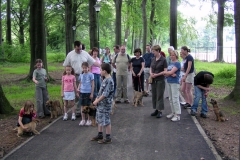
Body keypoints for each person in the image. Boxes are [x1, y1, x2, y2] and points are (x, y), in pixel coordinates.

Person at [63, 40, 100, 117]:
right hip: (75, 76)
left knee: (86, 93)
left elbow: (93, 62)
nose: (80, 50)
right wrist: (65, 75)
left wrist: (101, 66)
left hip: (85, 76)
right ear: (74, 47)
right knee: (77, 93)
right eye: (78, 49)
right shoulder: (70, 55)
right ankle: (77, 111)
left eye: (80, 48)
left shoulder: (85, 53)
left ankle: (87, 110)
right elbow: (66, 65)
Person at [91, 63, 114, 144]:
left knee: (106, 120)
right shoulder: (104, 79)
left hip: (106, 105)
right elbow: (101, 92)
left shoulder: (109, 81)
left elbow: (105, 94)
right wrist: (97, 99)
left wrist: (97, 101)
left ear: (104, 71)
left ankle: (108, 138)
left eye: (100, 70)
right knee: (99, 119)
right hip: (101, 104)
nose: (100, 71)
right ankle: (100, 135)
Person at [150, 45, 167, 118]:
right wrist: (151, 74)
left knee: (159, 95)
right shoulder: (153, 59)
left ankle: (160, 111)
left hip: (160, 79)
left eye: (154, 51)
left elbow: (165, 70)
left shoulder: (163, 60)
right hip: (153, 80)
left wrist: (157, 74)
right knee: (154, 95)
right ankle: (156, 109)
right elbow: (151, 67)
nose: (153, 52)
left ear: (158, 51)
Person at [163, 50, 181, 121]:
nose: (171, 56)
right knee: (170, 99)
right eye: (171, 55)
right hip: (169, 81)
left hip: (175, 83)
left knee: (175, 99)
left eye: (173, 55)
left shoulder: (177, 63)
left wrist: (169, 73)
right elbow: (166, 72)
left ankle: (177, 115)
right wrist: (169, 73)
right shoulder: (170, 64)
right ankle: (173, 112)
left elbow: (169, 72)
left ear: (176, 56)